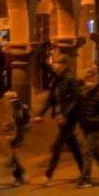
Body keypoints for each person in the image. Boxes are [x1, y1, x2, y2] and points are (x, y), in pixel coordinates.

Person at [34, 54, 83, 185]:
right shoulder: (56, 79)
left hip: (69, 118)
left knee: (57, 145)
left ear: (64, 66)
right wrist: (40, 114)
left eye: (57, 64)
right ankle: (84, 169)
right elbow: (50, 99)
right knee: (73, 144)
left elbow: (75, 99)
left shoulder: (70, 79)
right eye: (54, 63)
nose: (54, 66)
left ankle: (48, 175)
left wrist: (65, 115)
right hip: (60, 117)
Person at [77, 67, 99, 187]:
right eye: (87, 79)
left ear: (96, 79)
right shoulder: (83, 92)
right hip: (84, 125)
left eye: (91, 79)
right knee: (94, 150)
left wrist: (96, 121)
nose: (89, 81)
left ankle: (85, 179)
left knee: (87, 152)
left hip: (94, 127)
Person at [2, 89, 29, 187]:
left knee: (13, 155)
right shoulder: (21, 105)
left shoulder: (14, 107)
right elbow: (25, 119)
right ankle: (20, 174)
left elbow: (14, 122)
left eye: (6, 98)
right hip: (18, 133)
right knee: (13, 155)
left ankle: (19, 175)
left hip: (15, 134)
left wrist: (11, 135)